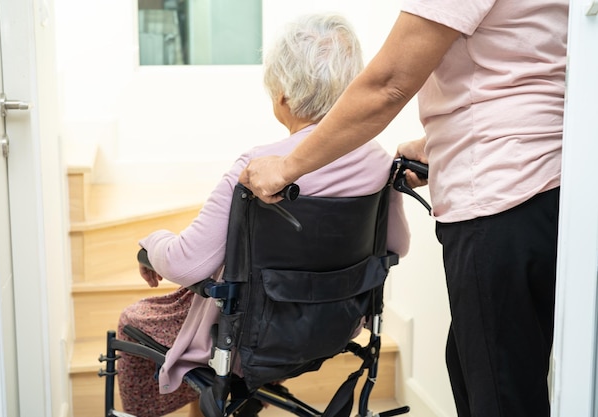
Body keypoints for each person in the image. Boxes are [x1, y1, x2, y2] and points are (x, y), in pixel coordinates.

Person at [239, 1, 567, 417]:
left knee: (499, 396)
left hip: (500, 197)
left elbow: (389, 83)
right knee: (487, 373)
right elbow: (522, 65)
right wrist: (443, 145)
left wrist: (289, 167)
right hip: (543, 188)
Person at [115, 13, 411, 417]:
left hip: (254, 335)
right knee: (245, 306)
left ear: (283, 96)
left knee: (134, 318)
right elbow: (397, 246)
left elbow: (186, 262)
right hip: (331, 325)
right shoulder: (377, 159)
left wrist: (150, 245)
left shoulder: (260, 167)